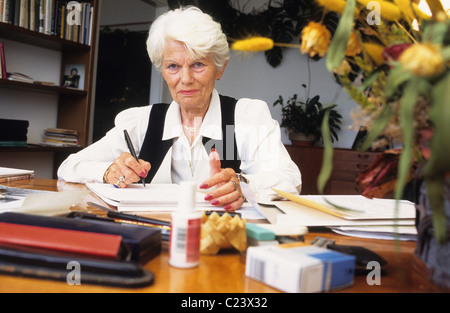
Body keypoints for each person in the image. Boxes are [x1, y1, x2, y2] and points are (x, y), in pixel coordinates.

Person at [57, 6, 301, 211]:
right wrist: (109, 171)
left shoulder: (245, 117)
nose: (185, 79)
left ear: (220, 68)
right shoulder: (141, 122)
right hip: (155, 235)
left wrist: (243, 184)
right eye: (173, 66)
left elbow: (289, 178)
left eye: (197, 64)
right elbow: (69, 166)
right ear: (162, 70)